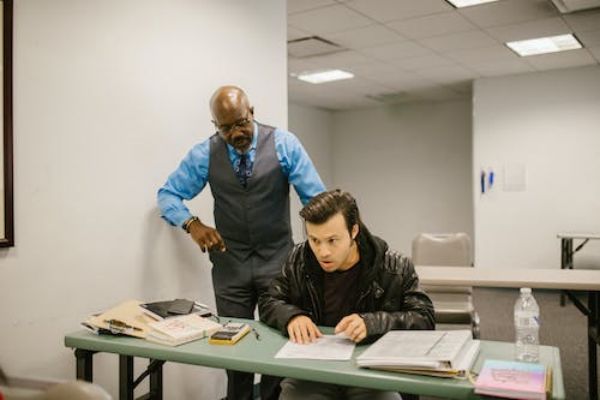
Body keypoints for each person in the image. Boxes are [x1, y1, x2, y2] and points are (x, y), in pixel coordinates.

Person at [157, 85, 325, 400]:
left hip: (278, 263)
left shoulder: (284, 144)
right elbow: (167, 195)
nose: (236, 133)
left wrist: (319, 249)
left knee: (278, 341)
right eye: (226, 128)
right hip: (230, 267)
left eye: (241, 123)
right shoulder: (204, 154)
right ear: (215, 126)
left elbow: (316, 201)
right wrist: (192, 224)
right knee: (234, 348)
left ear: (252, 112)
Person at [258, 189, 435, 400]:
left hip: (371, 372)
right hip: (313, 371)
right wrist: (291, 317)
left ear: (354, 231)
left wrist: (373, 323)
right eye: (314, 240)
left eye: (332, 240)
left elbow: (424, 317)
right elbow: (269, 299)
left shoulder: (395, 266)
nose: (323, 252)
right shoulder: (298, 259)